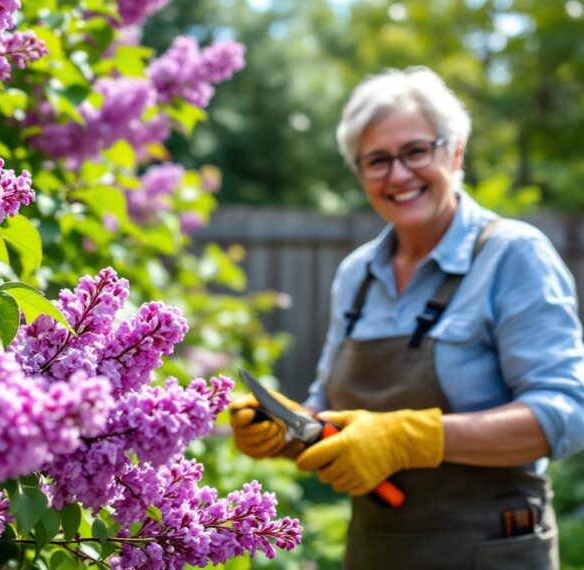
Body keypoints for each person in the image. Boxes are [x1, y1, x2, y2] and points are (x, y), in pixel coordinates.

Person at [229, 66, 584, 570]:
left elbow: (567, 414)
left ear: (455, 152)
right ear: (360, 173)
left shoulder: (512, 255)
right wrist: (286, 431)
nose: (397, 174)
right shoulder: (358, 275)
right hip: (376, 552)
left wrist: (411, 438)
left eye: (416, 151)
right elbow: (332, 414)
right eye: (376, 160)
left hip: (490, 552)